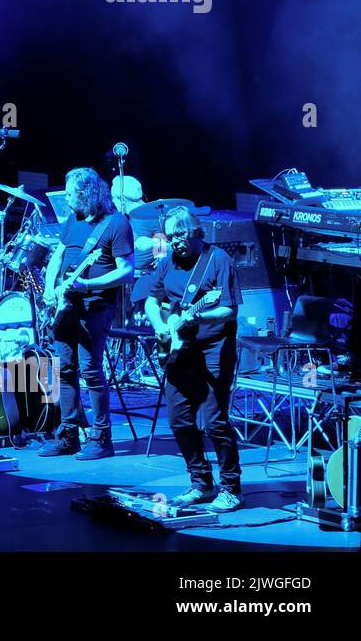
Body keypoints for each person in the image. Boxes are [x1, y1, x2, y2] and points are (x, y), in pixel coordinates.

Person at [145, 207, 244, 511]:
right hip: (179, 349)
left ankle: (231, 487)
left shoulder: (217, 260)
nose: (176, 242)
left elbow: (228, 310)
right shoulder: (167, 263)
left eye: (181, 235)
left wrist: (196, 317)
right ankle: (201, 483)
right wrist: (161, 326)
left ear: (195, 232)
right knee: (178, 420)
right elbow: (152, 299)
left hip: (214, 347)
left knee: (214, 421)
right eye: (171, 236)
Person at [38, 167, 135, 459]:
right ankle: (69, 434)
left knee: (91, 370)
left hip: (95, 306)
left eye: (70, 194)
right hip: (65, 304)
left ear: (87, 193)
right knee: (65, 369)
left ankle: (101, 438)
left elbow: (127, 272)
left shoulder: (116, 224)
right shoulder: (73, 219)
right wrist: (48, 287)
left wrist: (88, 283)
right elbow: (57, 254)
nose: (66, 200)